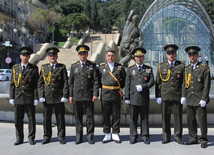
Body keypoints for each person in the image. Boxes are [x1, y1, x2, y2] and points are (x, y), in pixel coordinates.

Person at [69, 45, 99, 145]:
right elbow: (71, 82)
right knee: (78, 117)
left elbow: (95, 81)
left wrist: (95, 94)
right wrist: (70, 95)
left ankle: (90, 137)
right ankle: (78, 137)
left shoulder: (92, 65)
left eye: (84, 53)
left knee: (90, 117)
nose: (82, 55)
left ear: (87, 54)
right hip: (77, 96)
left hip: (88, 95)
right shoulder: (74, 66)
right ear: (78, 55)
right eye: (81, 54)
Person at [38, 47, 69, 145]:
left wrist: (65, 95)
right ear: (48, 57)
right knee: (46, 118)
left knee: (60, 118)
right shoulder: (44, 68)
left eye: (54, 55)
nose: (52, 57)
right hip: (47, 97)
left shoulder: (61, 67)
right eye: (51, 56)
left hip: (58, 97)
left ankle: (61, 136)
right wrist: (41, 95)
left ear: (57, 56)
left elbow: (65, 82)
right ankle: (47, 136)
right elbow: (40, 83)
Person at [155, 44, 185, 144]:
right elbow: (158, 82)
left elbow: (184, 82)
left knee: (178, 117)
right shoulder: (161, 66)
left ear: (176, 54)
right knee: (165, 117)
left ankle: (177, 136)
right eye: (169, 53)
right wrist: (158, 95)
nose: (171, 55)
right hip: (165, 95)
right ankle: (166, 136)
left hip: (177, 95)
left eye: (172, 53)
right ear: (166, 55)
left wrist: (183, 95)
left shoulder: (181, 66)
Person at [182, 46, 211, 148]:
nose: (192, 57)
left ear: (198, 55)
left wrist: (204, 98)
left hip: (199, 98)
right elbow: (184, 83)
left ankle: (203, 140)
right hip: (190, 98)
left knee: (202, 120)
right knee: (191, 120)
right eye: (190, 55)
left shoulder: (204, 68)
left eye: (193, 54)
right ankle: (193, 138)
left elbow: (207, 85)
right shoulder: (187, 68)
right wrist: (183, 96)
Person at [124, 47, 154, 145]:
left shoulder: (148, 69)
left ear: (143, 57)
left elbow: (152, 81)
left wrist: (144, 86)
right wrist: (127, 97)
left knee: (144, 118)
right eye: (137, 57)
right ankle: (133, 136)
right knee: (133, 118)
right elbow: (127, 84)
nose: (139, 58)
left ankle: (144, 136)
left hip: (144, 97)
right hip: (133, 97)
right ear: (134, 58)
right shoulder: (130, 69)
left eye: (141, 57)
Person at [9, 47, 39, 146]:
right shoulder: (15, 68)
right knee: (18, 119)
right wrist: (11, 97)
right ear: (20, 56)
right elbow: (12, 84)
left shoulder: (34, 68)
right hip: (18, 97)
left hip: (29, 97)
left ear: (29, 57)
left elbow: (36, 85)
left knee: (31, 119)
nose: (25, 57)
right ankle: (19, 138)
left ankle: (31, 137)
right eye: (23, 55)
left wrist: (36, 97)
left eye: (27, 55)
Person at [98, 49, 126, 143]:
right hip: (105, 94)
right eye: (109, 55)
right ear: (106, 57)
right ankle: (107, 133)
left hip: (116, 94)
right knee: (105, 115)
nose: (110, 57)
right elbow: (98, 81)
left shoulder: (120, 67)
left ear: (115, 57)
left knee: (116, 114)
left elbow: (123, 81)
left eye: (112, 55)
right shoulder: (101, 67)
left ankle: (115, 133)